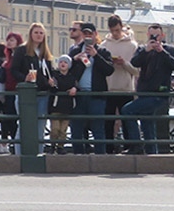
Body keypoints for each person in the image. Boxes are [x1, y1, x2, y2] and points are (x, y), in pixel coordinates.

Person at [122, 23, 174, 155]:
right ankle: (151, 154)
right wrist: (146, 50)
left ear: (162, 35)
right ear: (148, 35)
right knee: (147, 124)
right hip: (144, 92)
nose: (155, 38)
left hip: (159, 94)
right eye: (152, 35)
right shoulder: (143, 49)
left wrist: (162, 51)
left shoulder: (170, 49)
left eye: (157, 35)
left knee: (127, 110)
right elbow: (134, 62)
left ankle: (137, 146)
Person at [10, 23, 58, 155]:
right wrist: (24, 78)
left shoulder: (45, 54)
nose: (39, 35)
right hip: (27, 94)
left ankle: (38, 154)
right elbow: (14, 70)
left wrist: (52, 81)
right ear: (31, 34)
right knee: (24, 125)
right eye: (36, 32)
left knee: (40, 127)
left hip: (43, 93)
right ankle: (20, 155)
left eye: (41, 33)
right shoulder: (22, 50)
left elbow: (50, 72)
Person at [67, 22, 114, 155]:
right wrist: (75, 59)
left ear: (95, 35)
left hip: (96, 95)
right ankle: (78, 156)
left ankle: (100, 157)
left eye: (90, 34)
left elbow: (109, 70)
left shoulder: (103, 51)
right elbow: (66, 70)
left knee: (98, 128)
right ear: (81, 35)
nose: (88, 36)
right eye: (85, 34)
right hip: (79, 95)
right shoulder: (75, 51)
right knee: (76, 128)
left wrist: (95, 55)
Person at [102, 15, 138, 153]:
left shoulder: (132, 45)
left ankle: (129, 147)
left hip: (126, 89)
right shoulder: (104, 45)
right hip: (109, 88)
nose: (115, 34)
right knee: (108, 122)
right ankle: (108, 148)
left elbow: (136, 71)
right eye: (112, 31)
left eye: (117, 30)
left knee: (127, 120)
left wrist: (124, 64)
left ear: (122, 27)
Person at [49, 54, 83, 154]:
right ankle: (52, 145)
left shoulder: (72, 77)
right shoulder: (54, 76)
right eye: (61, 62)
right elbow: (53, 89)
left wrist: (75, 88)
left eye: (65, 62)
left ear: (69, 65)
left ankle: (60, 146)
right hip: (55, 106)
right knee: (55, 129)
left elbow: (77, 86)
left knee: (63, 130)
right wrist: (51, 85)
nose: (63, 64)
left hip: (67, 107)